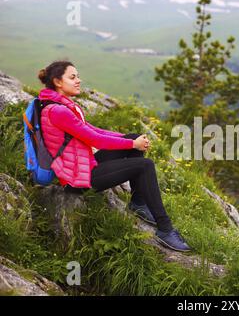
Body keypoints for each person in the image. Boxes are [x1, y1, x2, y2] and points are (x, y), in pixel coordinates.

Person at [37, 60, 191, 252]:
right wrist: (131, 145)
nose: (78, 80)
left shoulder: (60, 105)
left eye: (78, 76)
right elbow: (95, 140)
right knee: (144, 166)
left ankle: (138, 204)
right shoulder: (58, 111)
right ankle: (165, 229)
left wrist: (130, 140)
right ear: (57, 82)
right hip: (77, 179)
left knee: (134, 139)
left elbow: (93, 130)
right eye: (73, 77)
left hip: (83, 165)